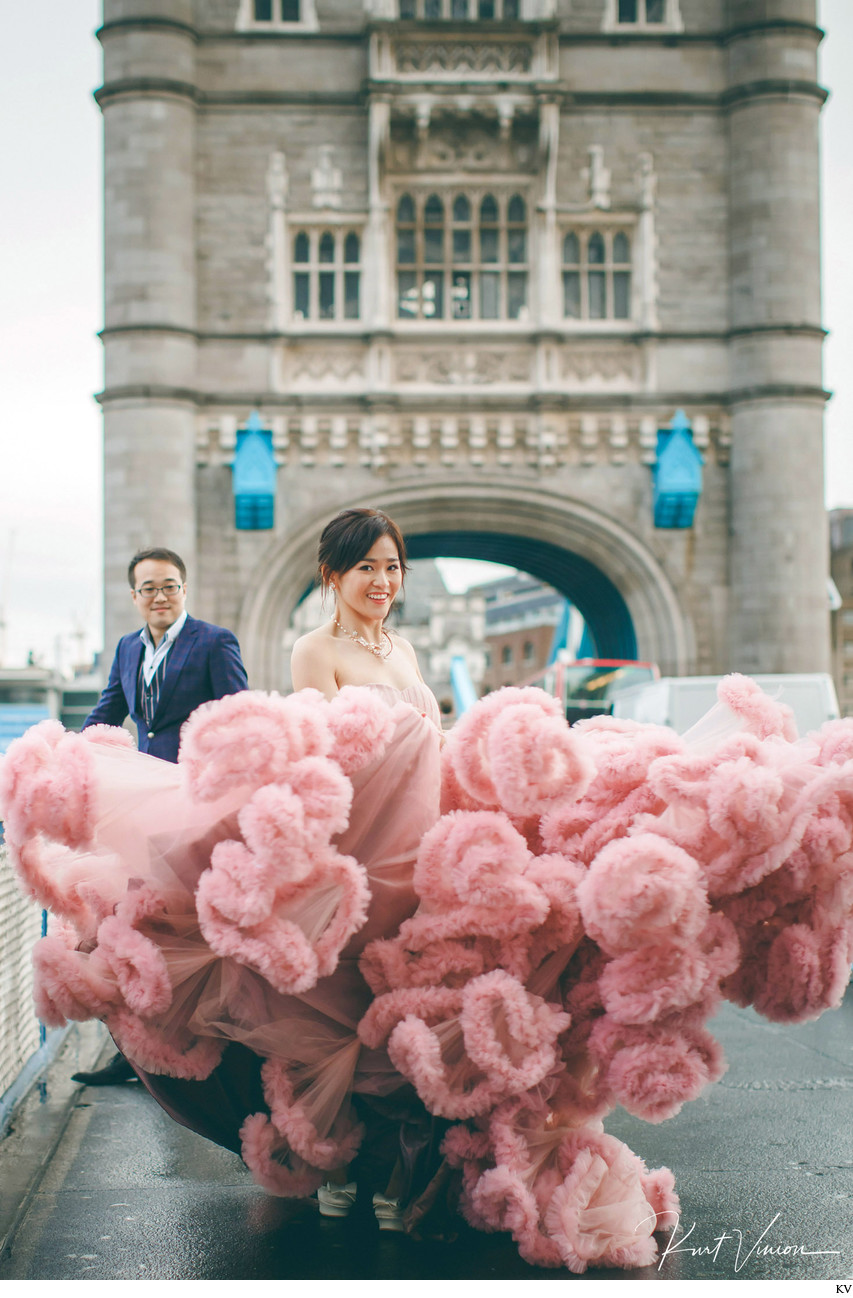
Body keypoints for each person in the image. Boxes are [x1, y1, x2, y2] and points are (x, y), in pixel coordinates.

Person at [71, 546, 249, 1086]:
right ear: (134, 597)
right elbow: (107, 712)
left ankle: (211, 1048)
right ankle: (136, 1052)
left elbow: (240, 717)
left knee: (190, 936)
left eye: (169, 586)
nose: (160, 596)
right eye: (149, 588)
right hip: (143, 813)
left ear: (184, 589)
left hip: (196, 810)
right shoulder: (127, 648)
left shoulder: (214, 642)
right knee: (131, 932)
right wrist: (64, 757)